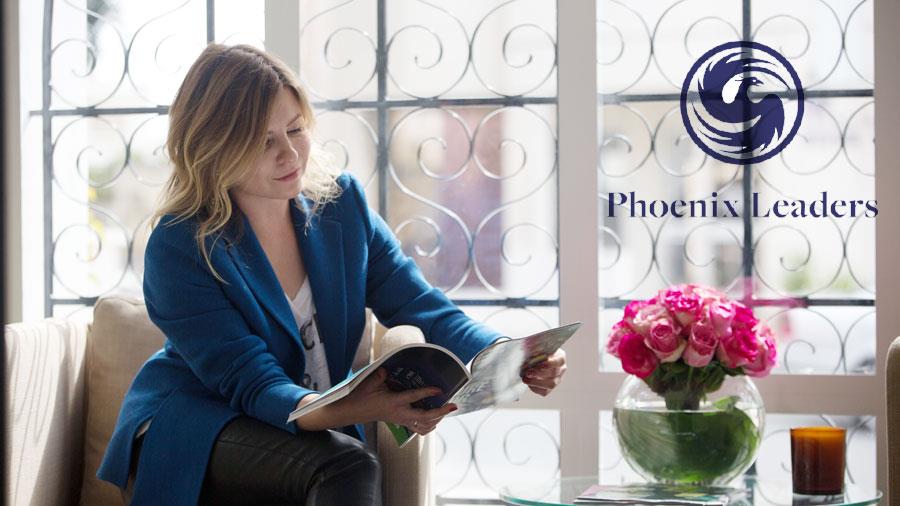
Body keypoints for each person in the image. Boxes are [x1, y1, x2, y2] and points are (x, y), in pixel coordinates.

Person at [96, 43, 567, 505]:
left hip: (301, 425)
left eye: (295, 129)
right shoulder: (180, 245)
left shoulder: (341, 208)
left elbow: (419, 305)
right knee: (347, 464)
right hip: (191, 429)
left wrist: (511, 354)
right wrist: (356, 407)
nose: (290, 154)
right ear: (214, 147)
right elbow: (253, 384)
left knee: (346, 461)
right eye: (263, 141)